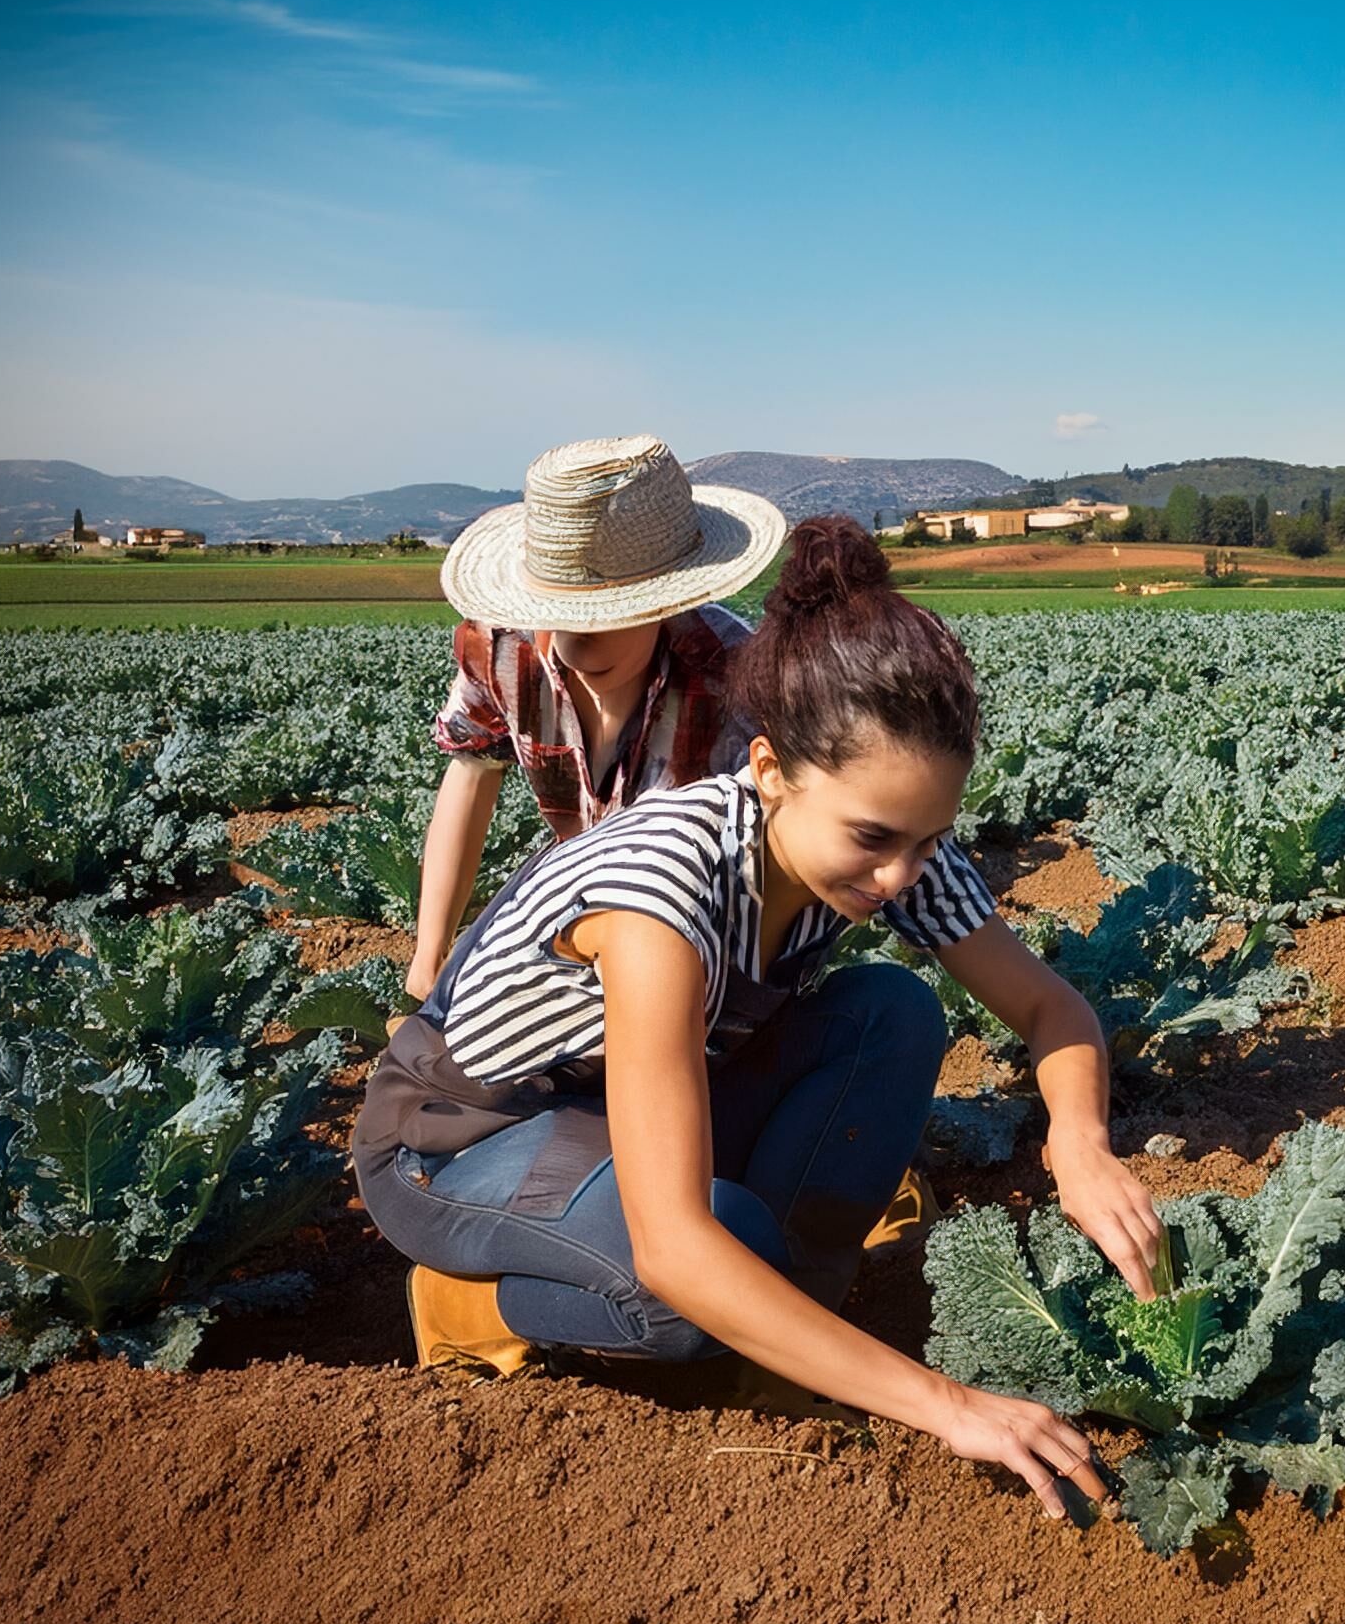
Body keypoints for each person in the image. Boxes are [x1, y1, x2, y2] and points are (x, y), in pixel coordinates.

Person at [352, 517, 1165, 1519]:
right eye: (873, 837)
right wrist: (945, 1405)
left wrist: (1077, 1144)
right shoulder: (660, 901)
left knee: (891, 1011)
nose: (899, 874)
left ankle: (781, 1332)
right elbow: (676, 1248)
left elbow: (1051, 1005)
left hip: (614, 1106)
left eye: (929, 836)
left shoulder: (883, 835)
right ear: (772, 770)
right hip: (461, 1134)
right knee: (686, 1273)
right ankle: (471, 1298)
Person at [405, 433, 786, 1003]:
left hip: (697, 930)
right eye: (555, 614)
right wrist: (429, 951)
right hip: (574, 897)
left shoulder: (732, 672)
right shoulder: (501, 649)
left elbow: (771, 859)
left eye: (612, 617)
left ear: (668, 601)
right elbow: (471, 773)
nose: (577, 646)